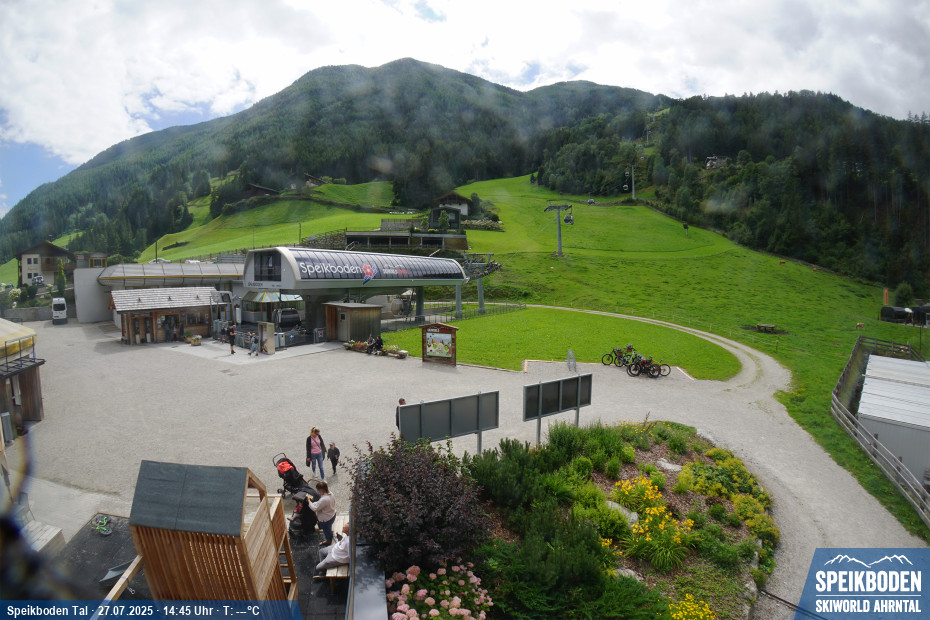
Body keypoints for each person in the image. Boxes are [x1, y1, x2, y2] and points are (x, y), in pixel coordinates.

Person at [308, 481, 336, 546]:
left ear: (320, 490)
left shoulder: (324, 499)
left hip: (325, 519)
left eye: (318, 490)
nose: (317, 491)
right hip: (332, 515)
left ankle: (328, 541)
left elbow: (315, 509)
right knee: (329, 528)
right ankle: (330, 537)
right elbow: (320, 504)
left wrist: (309, 502)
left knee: (327, 531)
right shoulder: (330, 494)